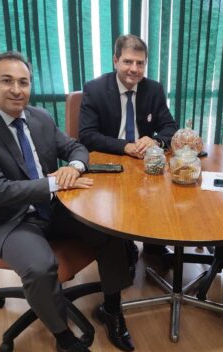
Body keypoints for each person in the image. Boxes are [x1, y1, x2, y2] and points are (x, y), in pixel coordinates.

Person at [0, 51, 136, 352]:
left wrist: (76, 167)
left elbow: (74, 147)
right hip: (9, 219)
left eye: (23, 82)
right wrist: (54, 181)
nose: (16, 90)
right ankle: (66, 341)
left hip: (52, 206)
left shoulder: (39, 118)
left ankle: (111, 310)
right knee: (40, 267)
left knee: (111, 228)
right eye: (7, 81)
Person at [78, 34, 178, 263]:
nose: (134, 69)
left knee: (163, 192)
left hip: (145, 161)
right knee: (118, 204)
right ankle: (124, 251)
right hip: (111, 160)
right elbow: (87, 136)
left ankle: (154, 246)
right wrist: (126, 147)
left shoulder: (153, 89)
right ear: (115, 61)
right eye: (128, 62)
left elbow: (170, 127)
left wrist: (156, 141)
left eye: (140, 63)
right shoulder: (95, 89)